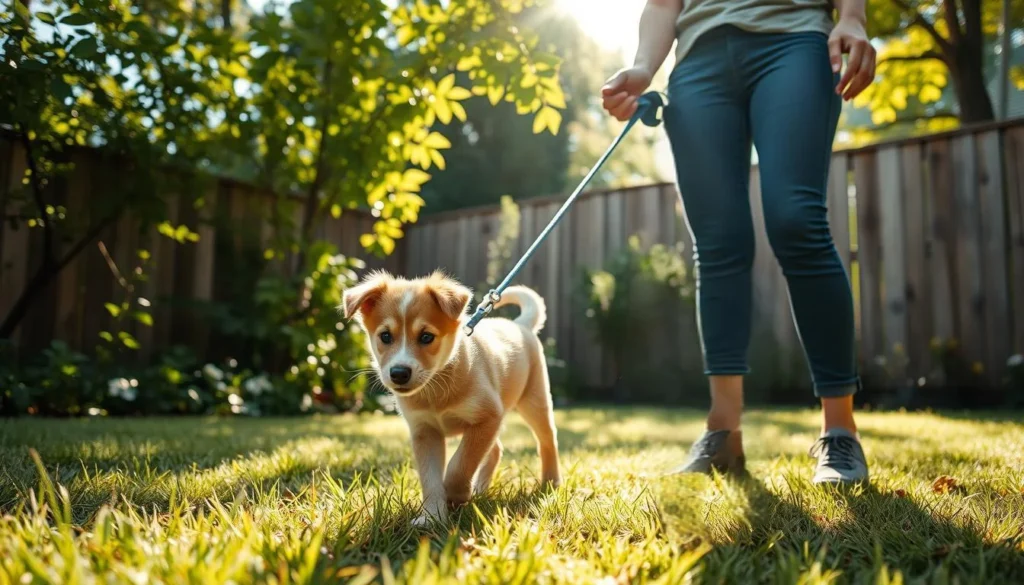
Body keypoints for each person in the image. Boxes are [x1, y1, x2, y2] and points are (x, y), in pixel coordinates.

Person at [601, 0, 875, 484]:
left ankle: (839, 431)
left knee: (796, 220)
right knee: (718, 241)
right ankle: (722, 432)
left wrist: (851, 17)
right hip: (699, 61)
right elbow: (664, 4)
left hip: (793, 41)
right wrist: (645, 66)